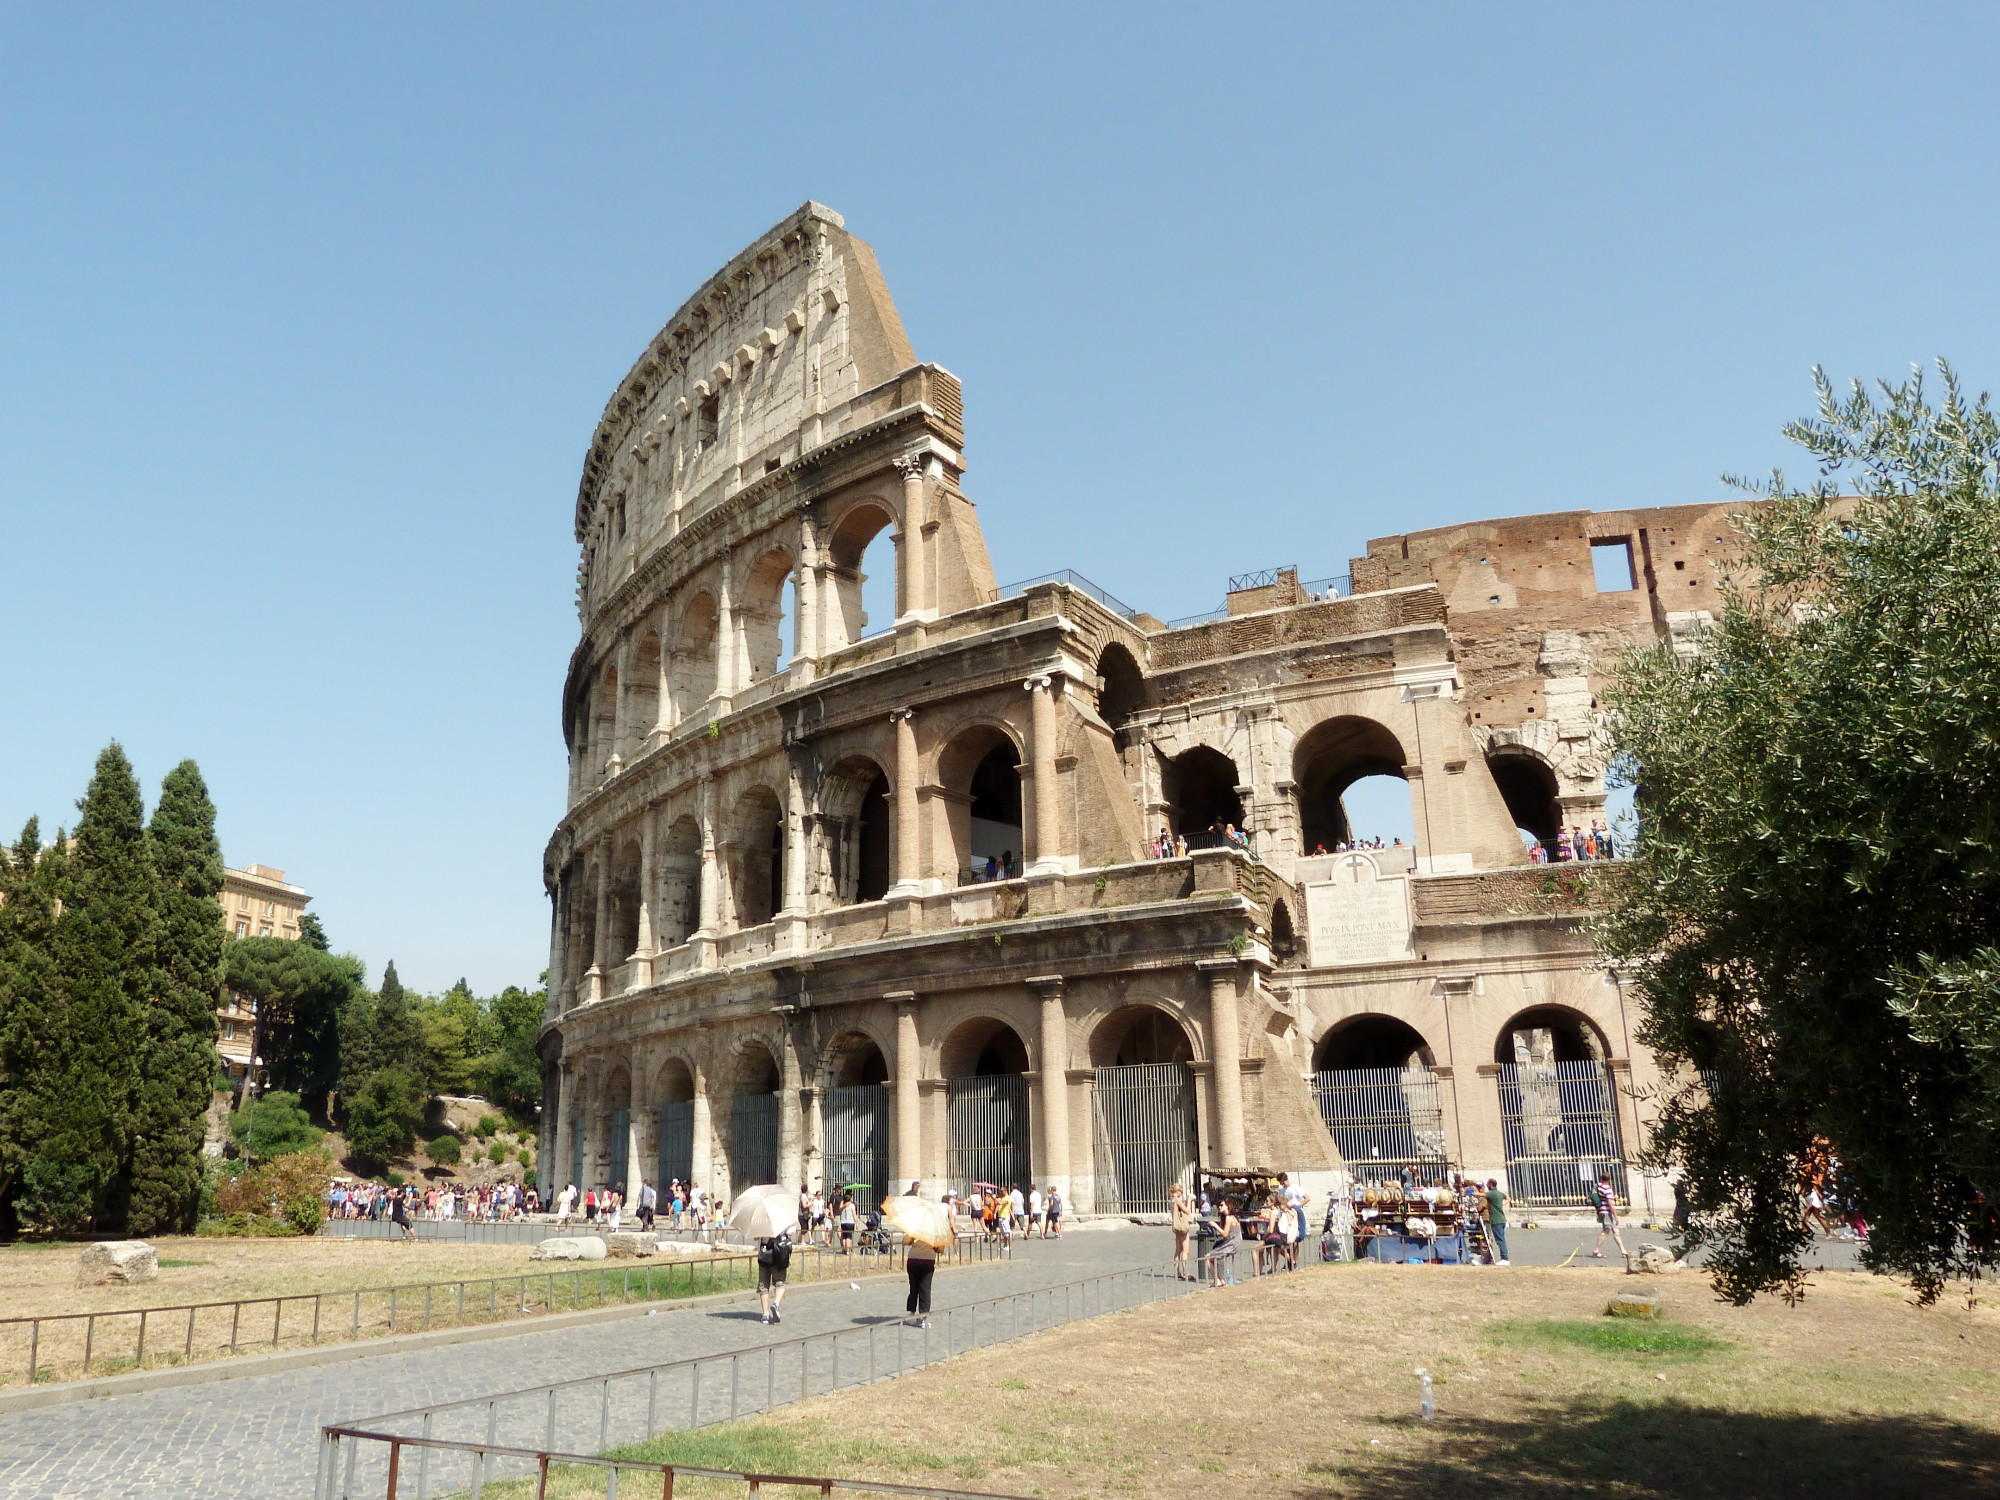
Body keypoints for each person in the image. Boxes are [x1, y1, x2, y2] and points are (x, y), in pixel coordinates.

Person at [903, 1183, 937, 1327]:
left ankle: (911, 1313)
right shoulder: (935, 1229)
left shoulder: (915, 1226)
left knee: (915, 1288)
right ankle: (922, 1317)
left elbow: (905, 1242)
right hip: (927, 1260)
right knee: (924, 1289)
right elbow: (940, 1249)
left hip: (915, 1260)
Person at [757, 1227, 793, 1324]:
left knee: (763, 1283)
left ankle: (765, 1315)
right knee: (780, 1282)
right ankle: (776, 1303)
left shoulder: (761, 1220)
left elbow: (756, 1237)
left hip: (764, 1252)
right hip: (779, 1252)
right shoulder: (783, 1215)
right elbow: (790, 1231)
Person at [1588, 1173, 1628, 1259]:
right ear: (1609, 1179)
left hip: (1602, 1211)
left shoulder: (1599, 1187)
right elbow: (1610, 1203)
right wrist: (1616, 1215)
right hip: (1607, 1212)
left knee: (1615, 1231)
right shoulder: (1607, 1189)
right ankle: (1596, 1250)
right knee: (1606, 1231)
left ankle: (1623, 1251)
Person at [1208, 1196, 1242, 1286]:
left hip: (1231, 1244)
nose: (1220, 1207)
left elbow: (1225, 1234)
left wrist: (1215, 1226)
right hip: (1233, 1242)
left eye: (1222, 1205)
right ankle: (1221, 1279)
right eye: (1219, 1205)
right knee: (1214, 1256)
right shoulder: (1233, 1217)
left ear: (1228, 1206)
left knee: (1208, 1257)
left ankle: (1218, 1280)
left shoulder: (1229, 1218)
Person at [1483, 1178, 1510, 1265]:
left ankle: (1505, 1258)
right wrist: (1502, 1204)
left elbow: (1481, 1194)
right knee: (1502, 1238)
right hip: (1502, 1219)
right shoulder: (1500, 1193)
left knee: (1500, 1240)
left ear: (1490, 1184)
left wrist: (1472, 1192)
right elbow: (1509, 1198)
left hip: (1496, 1220)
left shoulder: (1491, 1194)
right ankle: (1504, 1257)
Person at [1169, 1181, 1193, 1278]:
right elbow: (1187, 1211)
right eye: (1181, 1192)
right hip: (1182, 1227)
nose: (1182, 1194)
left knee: (1178, 1250)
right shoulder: (1177, 1200)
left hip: (1176, 1226)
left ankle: (1178, 1272)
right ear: (1178, 1191)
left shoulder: (1171, 1200)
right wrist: (1190, 1200)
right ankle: (1185, 1271)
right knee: (1185, 1250)